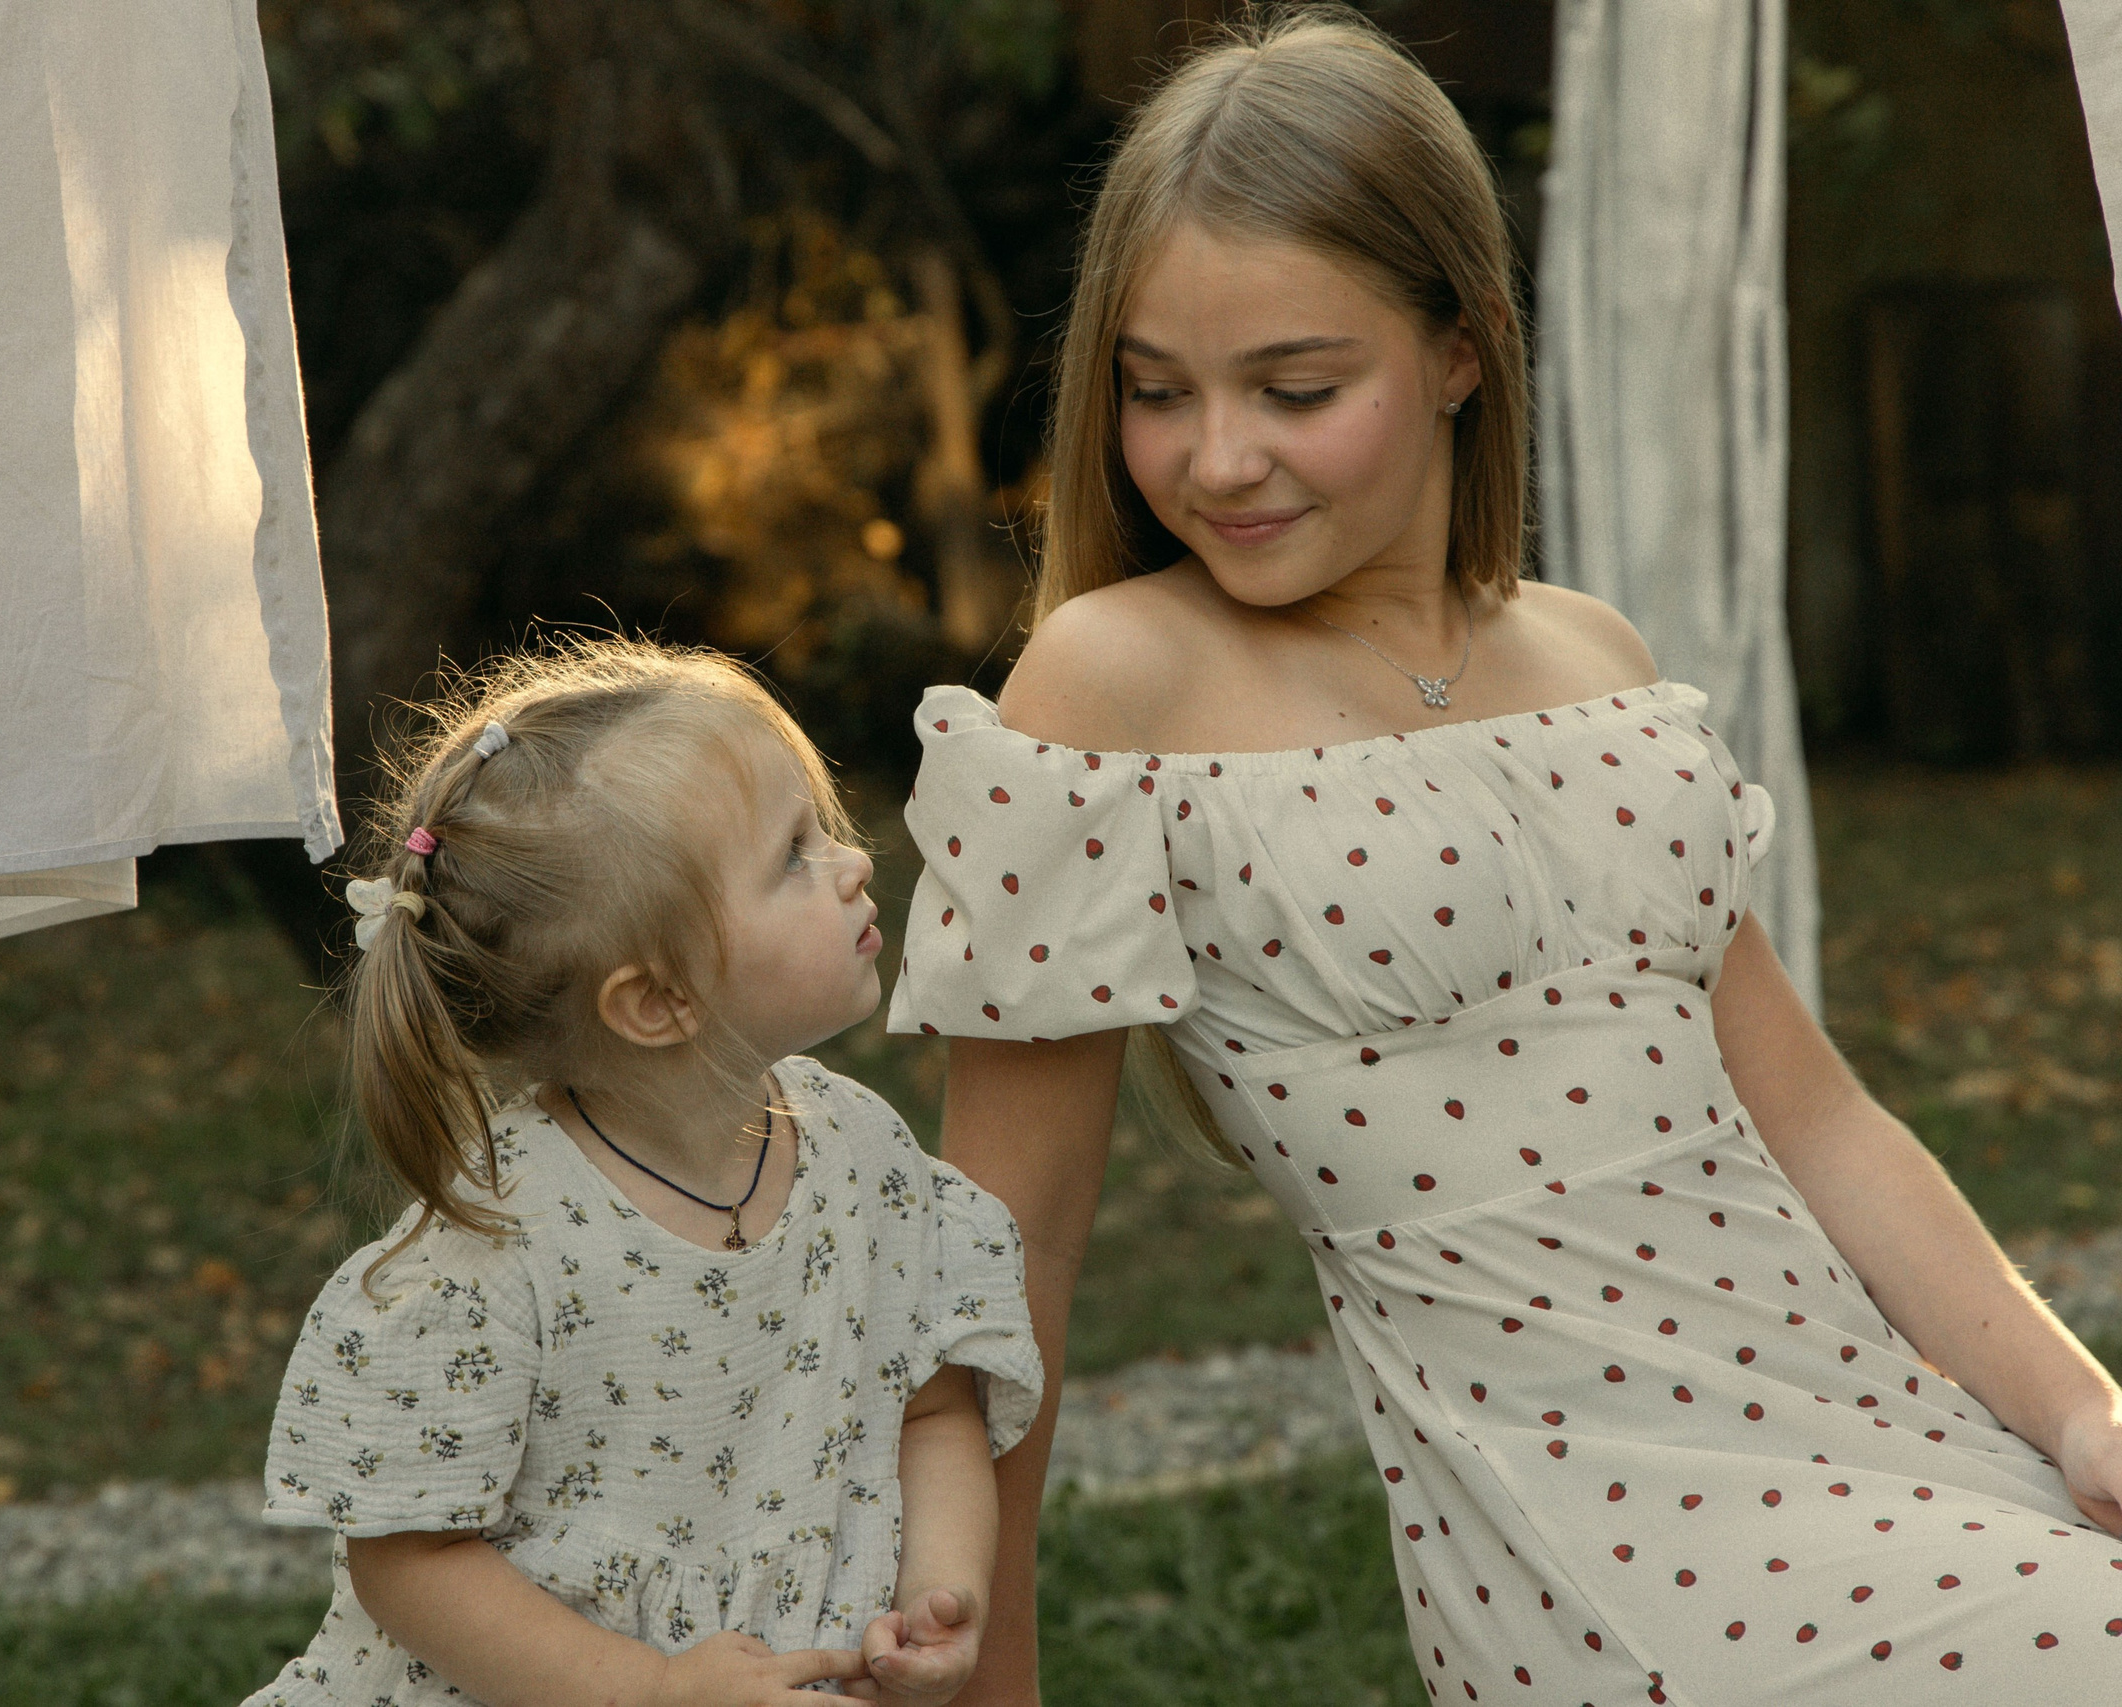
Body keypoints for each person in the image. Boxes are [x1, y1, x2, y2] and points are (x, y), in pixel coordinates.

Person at [888, 9, 2122, 1703]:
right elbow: (1007, 1250)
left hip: (1890, 1444)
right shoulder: (1114, 683)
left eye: (1296, 388)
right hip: (1606, 1542)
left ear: (1462, 349)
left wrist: (2076, 1408)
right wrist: (991, 1678)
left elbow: (1818, 1117)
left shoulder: (1594, 658)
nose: (1216, 456)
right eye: (1157, 392)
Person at [246, 639, 1041, 1707]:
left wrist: (943, 1596)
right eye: (792, 856)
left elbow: (933, 1406)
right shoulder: (499, 1245)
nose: (852, 862)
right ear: (656, 1002)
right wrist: (646, 1690)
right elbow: (409, 1562)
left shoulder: (864, 1155)